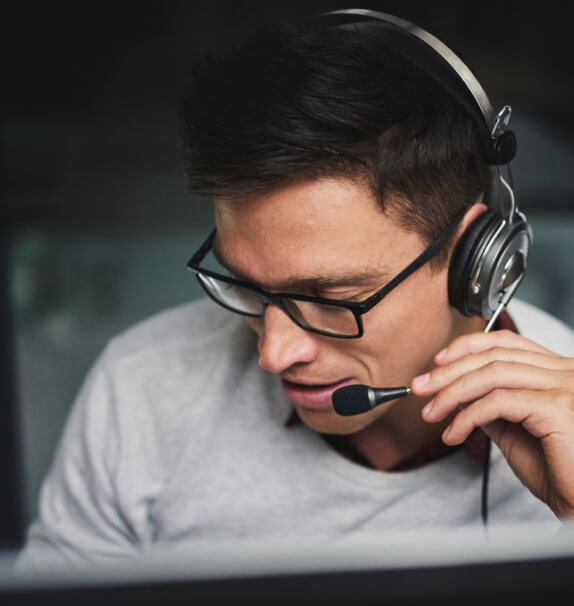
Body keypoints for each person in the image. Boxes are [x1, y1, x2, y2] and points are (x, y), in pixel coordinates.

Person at [17, 9, 574, 569]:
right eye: (246, 284)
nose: (273, 353)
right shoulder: (140, 386)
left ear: (473, 255)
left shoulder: (568, 422)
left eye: (331, 298)